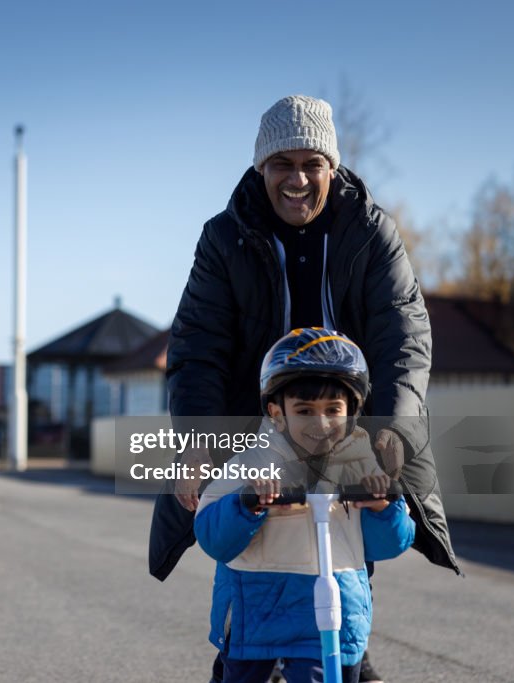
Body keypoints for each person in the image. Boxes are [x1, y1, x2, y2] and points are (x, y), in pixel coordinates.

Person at [150, 95, 461, 683]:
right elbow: (198, 349)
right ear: (261, 169)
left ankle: (346, 656)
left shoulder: (370, 231)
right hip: (256, 427)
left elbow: (403, 334)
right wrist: (198, 442)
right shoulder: (225, 237)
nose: (297, 180)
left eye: (311, 164)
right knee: (247, 543)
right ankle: (245, 655)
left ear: (331, 168)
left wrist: (392, 430)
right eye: (282, 165)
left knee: (348, 540)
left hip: (343, 422)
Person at [195, 329, 415, 683]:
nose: (321, 423)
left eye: (333, 410)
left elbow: (387, 546)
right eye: (304, 410)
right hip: (258, 617)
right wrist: (247, 505)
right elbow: (213, 539)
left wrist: (382, 508)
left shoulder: (362, 467)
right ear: (276, 413)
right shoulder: (250, 465)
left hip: (334, 619)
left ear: (352, 411)